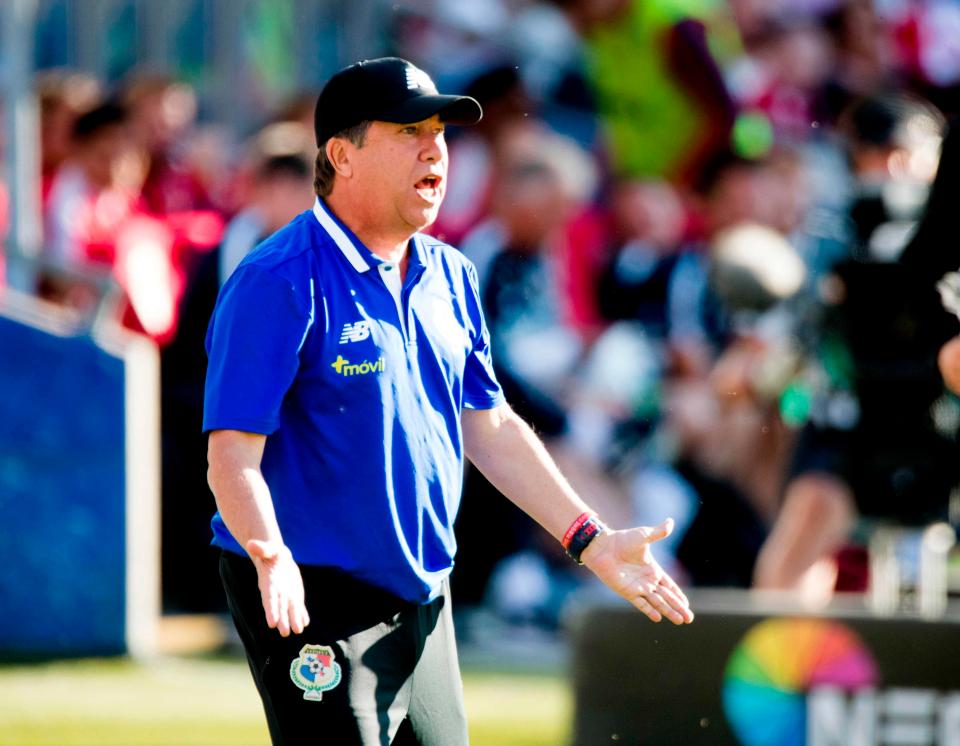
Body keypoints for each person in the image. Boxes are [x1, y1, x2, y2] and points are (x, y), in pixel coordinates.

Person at [203, 57, 693, 745]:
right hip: (311, 592)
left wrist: (590, 538)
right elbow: (231, 454)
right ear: (342, 155)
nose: (436, 148)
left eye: (438, 131)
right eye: (408, 131)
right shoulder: (276, 280)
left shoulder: (451, 274)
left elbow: (489, 426)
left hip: (424, 589)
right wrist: (268, 554)